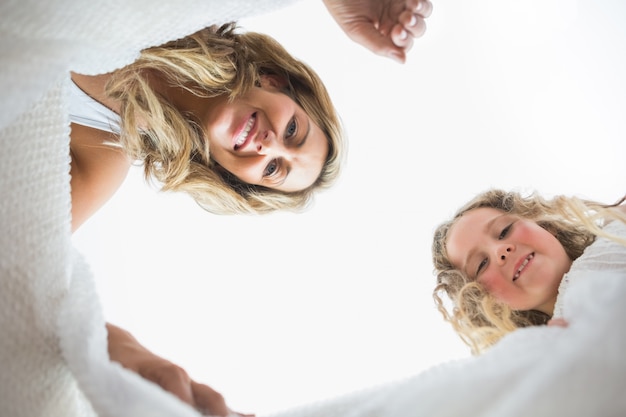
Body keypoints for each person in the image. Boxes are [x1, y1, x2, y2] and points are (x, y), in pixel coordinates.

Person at [63, 0, 432, 414]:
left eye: (273, 168)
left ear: (232, 175)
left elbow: (26, 273)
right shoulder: (200, 12)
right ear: (273, 80)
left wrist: (135, 360)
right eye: (293, 129)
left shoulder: (102, 151)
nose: (270, 144)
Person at [431, 189, 626, 355]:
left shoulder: (618, 227)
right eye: (481, 264)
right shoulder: (547, 359)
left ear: (544, 225)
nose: (500, 251)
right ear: (487, 301)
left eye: (504, 231)